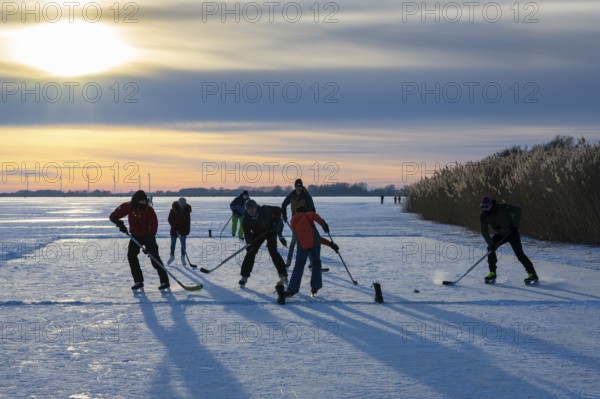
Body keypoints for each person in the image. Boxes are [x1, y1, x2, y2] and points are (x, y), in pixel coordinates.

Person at [109, 190, 170, 291]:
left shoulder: (149, 210)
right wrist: (120, 224)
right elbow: (112, 216)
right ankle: (138, 281)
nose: (144, 203)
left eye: (145, 201)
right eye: (142, 201)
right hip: (135, 236)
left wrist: (150, 240)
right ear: (136, 201)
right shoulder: (127, 206)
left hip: (148, 236)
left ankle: (164, 281)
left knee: (154, 257)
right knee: (131, 256)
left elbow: (153, 224)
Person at [479, 196, 539, 284]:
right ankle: (492, 273)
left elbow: (518, 210)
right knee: (490, 250)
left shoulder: (502, 207)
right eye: (482, 207)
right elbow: (484, 230)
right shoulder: (483, 215)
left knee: (519, 254)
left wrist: (515, 226)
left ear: (491, 205)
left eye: (486, 206)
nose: (484, 209)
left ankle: (532, 274)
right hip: (499, 234)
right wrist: (491, 243)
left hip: (512, 233)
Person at [285, 206, 338, 298]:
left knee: (299, 266)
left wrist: (330, 244)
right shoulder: (306, 215)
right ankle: (315, 286)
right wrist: (323, 224)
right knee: (316, 263)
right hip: (314, 245)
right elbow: (313, 216)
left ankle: (293, 287)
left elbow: (314, 237)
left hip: (302, 244)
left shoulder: (295, 222)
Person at [239, 199, 288, 292]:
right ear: (246, 210)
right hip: (258, 234)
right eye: (249, 209)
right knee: (250, 252)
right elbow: (247, 233)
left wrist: (274, 222)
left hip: (270, 231)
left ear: (256, 207)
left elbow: (278, 210)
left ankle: (283, 275)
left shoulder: (265, 209)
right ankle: (244, 277)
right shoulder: (246, 219)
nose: (251, 211)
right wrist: (249, 243)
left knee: (273, 251)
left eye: (252, 208)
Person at [281, 179, 315, 267]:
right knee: (293, 243)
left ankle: (312, 261)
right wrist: (284, 215)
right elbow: (284, 204)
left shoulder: (306, 196)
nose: (298, 187)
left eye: (300, 186)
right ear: (295, 186)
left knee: (305, 242)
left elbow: (312, 210)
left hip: (305, 223)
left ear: (302, 186)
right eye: (297, 186)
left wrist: (307, 214)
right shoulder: (291, 196)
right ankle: (288, 262)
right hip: (295, 222)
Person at [167, 197, 192, 267]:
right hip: (174, 230)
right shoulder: (173, 210)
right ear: (178, 203)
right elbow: (170, 219)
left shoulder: (187, 211)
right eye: (181, 203)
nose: (182, 205)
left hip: (183, 231)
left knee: (183, 245)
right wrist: (174, 227)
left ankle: (183, 257)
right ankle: (172, 256)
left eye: (184, 203)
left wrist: (187, 231)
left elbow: (188, 222)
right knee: (173, 244)